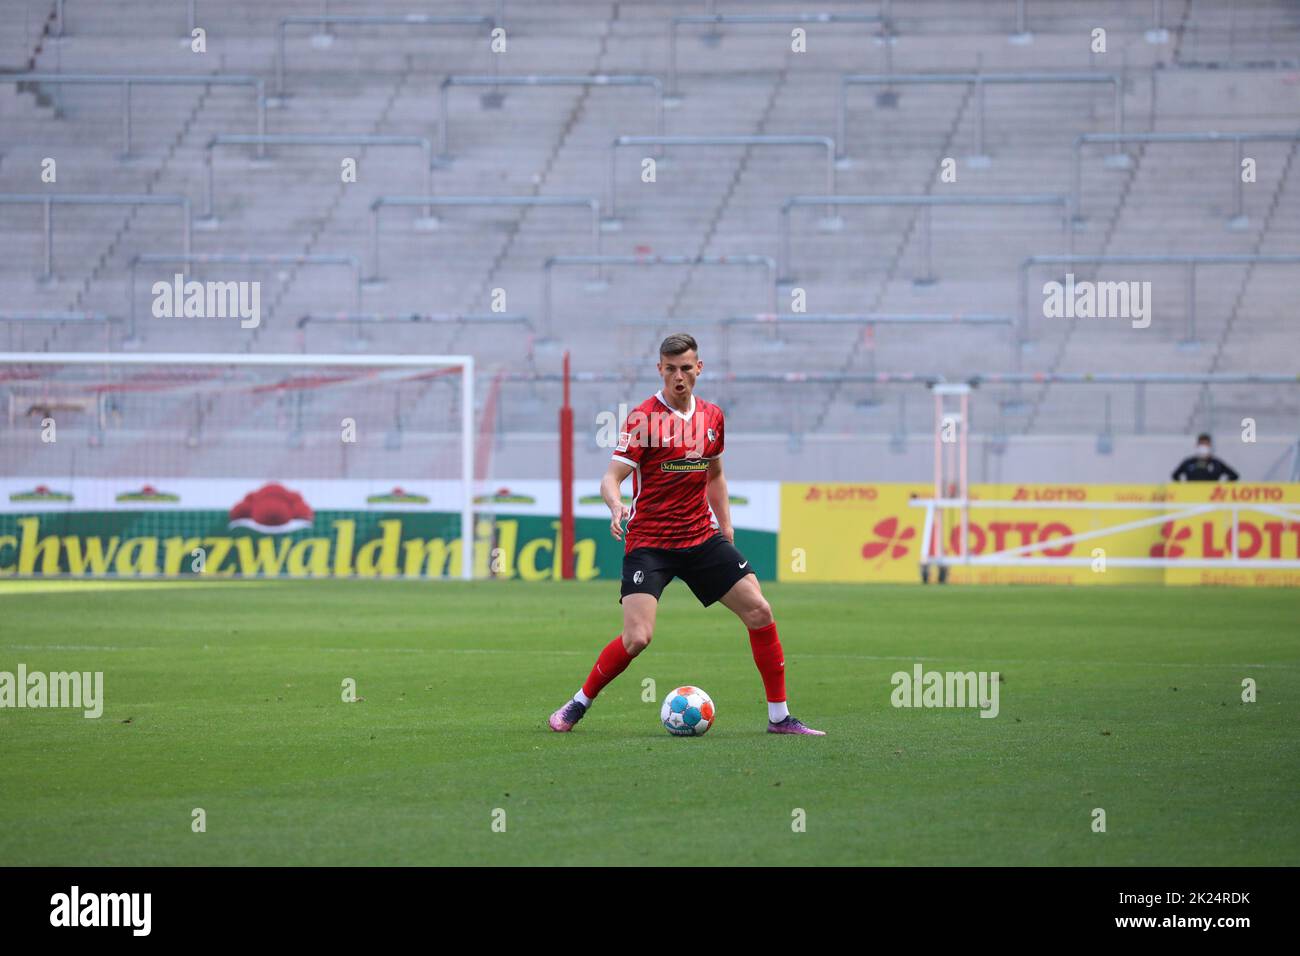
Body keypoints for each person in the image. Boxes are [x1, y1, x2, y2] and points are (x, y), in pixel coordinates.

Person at [548, 333, 825, 736]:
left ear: (699, 368)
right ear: (660, 369)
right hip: (651, 543)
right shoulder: (642, 419)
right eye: (671, 369)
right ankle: (578, 703)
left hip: (699, 537)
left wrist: (725, 527)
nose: (679, 376)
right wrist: (614, 505)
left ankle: (780, 718)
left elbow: (715, 474)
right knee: (637, 638)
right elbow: (612, 476)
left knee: (760, 611)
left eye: (686, 368)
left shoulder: (712, 417)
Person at [1171, 433, 1239, 482]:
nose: (1204, 447)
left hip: (1210, 497)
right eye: (1201, 444)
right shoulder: (1189, 462)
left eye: (1206, 444)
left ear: (1210, 446)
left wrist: (1224, 487)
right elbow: (1175, 475)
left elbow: (1234, 475)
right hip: (1192, 496)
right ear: (1197, 445)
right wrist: (1183, 488)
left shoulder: (1216, 463)